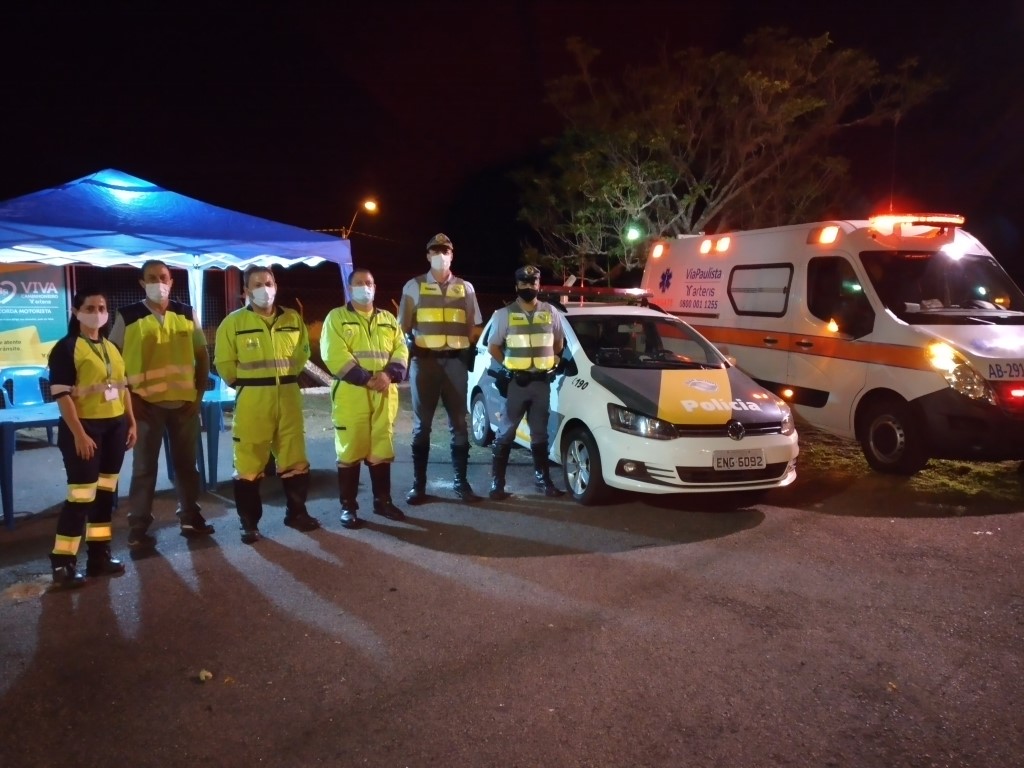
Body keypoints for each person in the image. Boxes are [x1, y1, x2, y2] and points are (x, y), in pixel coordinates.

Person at [109, 259, 213, 549]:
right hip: (145, 406)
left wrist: (198, 396)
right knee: (144, 468)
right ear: (142, 283)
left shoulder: (186, 313)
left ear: (172, 280)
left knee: (186, 466)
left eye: (164, 277)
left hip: (184, 405)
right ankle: (139, 525)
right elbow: (114, 362)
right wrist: (129, 399)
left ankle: (190, 516)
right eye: (152, 278)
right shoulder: (128, 316)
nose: (159, 282)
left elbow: (202, 356)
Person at [214, 266, 320, 543]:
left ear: (276, 285)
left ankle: (297, 513)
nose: (265, 288)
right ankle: (249, 524)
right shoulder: (233, 323)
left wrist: (284, 379)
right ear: (247, 291)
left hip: (287, 396)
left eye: (269, 282)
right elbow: (225, 365)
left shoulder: (292, 318)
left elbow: (301, 354)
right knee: (249, 462)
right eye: (257, 284)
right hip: (253, 400)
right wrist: (252, 385)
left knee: (294, 457)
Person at [47, 289, 138, 588]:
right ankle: (63, 564)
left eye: (101, 307)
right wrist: (80, 434)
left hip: (114, 430)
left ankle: (99, 557)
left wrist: (131, 422)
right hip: (85, 431)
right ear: (76, 311)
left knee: (104, 496)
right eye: (90, 307)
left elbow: (123, 389)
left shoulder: (111, 347)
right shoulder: (66, 348)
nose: (97, 312)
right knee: (81, 496)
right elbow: (62, 396)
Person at [398, 233, 483, 504]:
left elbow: (474, 327)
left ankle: (461, 483)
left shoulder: (466, 288)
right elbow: (404, 328)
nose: (441, 255)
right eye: (435, 251)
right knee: (422, 426)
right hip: (425, 363)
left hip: (456, 364)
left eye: (445, 251)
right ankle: (419, 485)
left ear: (452, 255)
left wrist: (463, 349)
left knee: (459, 424)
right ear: (427, 255)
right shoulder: (413, 286)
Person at [321, 268, 409, 529]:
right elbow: (333, 354)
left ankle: (383, 501)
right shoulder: (336, 318)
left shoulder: (388, 319)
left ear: (375, 286)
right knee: (350, 450)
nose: (364, 287)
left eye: (369, 282)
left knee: (381, 447)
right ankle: (348, 507)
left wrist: (389, 374)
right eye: (359, 283)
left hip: (384, 392)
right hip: (352, 394)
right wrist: (365, 378)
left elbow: (401, 349)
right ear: (349, 288)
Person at [486, 265, 566, 500]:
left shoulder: (551, 312)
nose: (529, 287)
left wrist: (549, 362)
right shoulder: (504, 314)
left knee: (539, 434)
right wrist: (509, 367)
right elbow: (493, 347)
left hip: (541, 383)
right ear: (516, 286)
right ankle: (497, 483)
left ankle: (543, 481)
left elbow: (558, 344)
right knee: (506, 432)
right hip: (516, 385)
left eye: (533, 282)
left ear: (539, 285)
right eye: (524, 283)